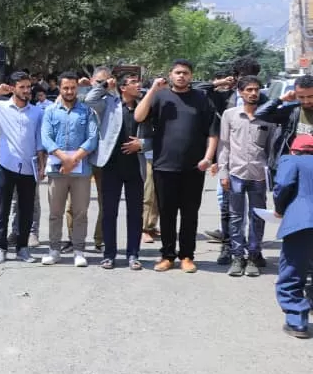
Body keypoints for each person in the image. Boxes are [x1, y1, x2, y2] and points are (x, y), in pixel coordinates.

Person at [134, 60, 219, 273]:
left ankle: (187, 256)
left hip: (194, 167)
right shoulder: (160, 97)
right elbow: (139, 116)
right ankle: (167, 255)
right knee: (167, 213)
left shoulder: (201, 98)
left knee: (190, 214)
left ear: (191, 76)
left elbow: (212, 132)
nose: (181, 76)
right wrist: (153, 88)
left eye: (186, 73)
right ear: (170, 74)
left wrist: (208, 158)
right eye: (178, 72)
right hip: (164, 165)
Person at [0, 72, 46, 264]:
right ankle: (1, 247)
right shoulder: (0, 107)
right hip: (4, 164)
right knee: (2, 208)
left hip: (29, 167)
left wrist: (42, 165)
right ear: (12, 88)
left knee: (26, 209)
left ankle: (22, 248)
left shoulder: (37, 112)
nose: (27, 91)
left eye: (29, 87)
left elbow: (39, 141)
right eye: (22, 87)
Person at [86, 72, 146, 269]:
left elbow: (156, 132)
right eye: (133, 82)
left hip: (135, 167)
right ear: (122, 88)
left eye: (138, 82)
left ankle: (133, 254)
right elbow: (89, 99)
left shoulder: (144, 106)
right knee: (109, 212)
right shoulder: (109, 104)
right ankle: (109, 254)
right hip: (111, 166)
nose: (138, 86)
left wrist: (143, 144)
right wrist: (104, 84)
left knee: (135, 213)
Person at [40, 72, 99, 268]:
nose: (69, 91)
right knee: (55, 212)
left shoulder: (87, 111)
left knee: (80, 212)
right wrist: (64, 158)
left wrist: (74, 159)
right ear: (59, 88)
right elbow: (46, 138)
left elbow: (92, 138)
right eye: (65, 87)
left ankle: (79, 250)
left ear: (77, 88)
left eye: (73, 88)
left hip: (81, 170)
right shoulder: (50, 111)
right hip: (57, 170)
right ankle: (54, 249)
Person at [218, 76, 272, 277]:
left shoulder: (267, 117)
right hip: (235, 174)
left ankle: (253, 256)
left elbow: (270, 149)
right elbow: (224, 146)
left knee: (257, 217)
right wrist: (223, 172)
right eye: (249, 89)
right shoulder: (230, 115)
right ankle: (237, 256)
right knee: (235, 216)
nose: (253, 93)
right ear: (240, 92)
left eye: (256, 89)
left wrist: (269, 174)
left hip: (258, 175)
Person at [271, 133, 313, 338]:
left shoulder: (291, 160)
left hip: (301, 223)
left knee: (292, 271)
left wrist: (279, 209)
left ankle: (297, 321)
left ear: (294, 149)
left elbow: (283, 186)